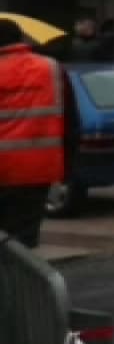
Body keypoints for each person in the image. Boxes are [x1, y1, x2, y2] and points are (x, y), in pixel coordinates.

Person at [0, 18, 64, 249]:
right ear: (21, 38)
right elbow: (71, 121)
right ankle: (20, 284)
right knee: (24, 242)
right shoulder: (50, 68)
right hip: (37, 169)